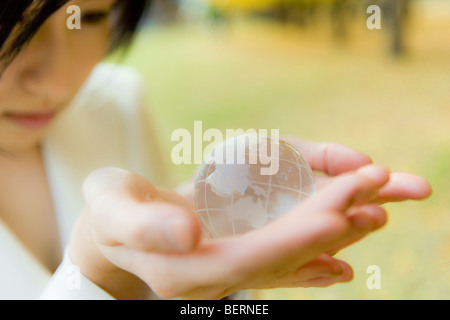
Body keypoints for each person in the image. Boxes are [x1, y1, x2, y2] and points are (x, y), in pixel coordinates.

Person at [0, 0, 432, 300]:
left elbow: (178, 280)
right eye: (13, 23)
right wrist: (100, 279)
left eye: (91, 15)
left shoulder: (116, 103)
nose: (57, 81)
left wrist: (215, 288)